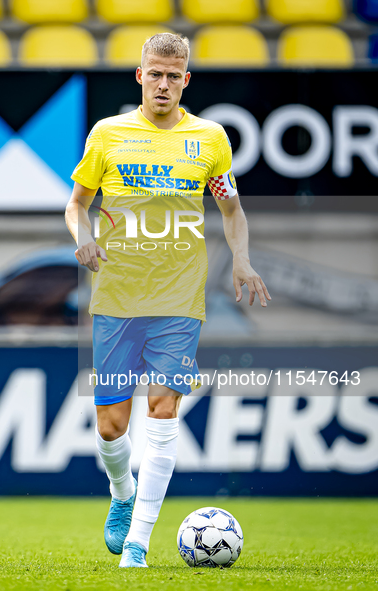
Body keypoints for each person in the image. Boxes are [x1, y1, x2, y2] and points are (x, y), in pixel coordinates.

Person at [64, 33, 270, 568]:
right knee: (111, 425)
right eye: (154, 74)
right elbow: (77, 204)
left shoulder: (210, 139)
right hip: (116, 298)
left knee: (162, 411)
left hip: (179, 300)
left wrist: (242, 259)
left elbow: (231, 210)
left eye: (172, 76)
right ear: (140, 76)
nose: (163, 84)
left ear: (186, 80)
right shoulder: (108, 135)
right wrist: (81, 236)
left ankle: (137, 543)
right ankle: (122, 492)